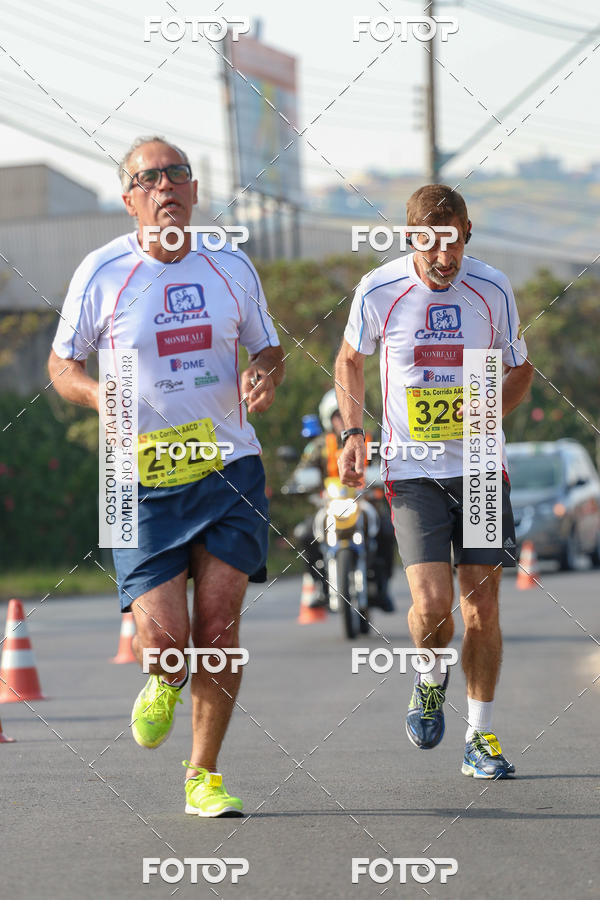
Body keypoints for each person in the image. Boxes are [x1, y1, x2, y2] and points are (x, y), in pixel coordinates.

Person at [48, 136, 284, 815]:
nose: (165, 186)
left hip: (229, 465)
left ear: (195, 191)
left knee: (220, 626)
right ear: (130, 200)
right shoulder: (102, 272)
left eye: (177, 173)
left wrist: (265, 373)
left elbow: (269, 348)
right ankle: (164, 675)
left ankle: (203, 775)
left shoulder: (230, 264)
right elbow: (62, 366)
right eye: (149, 178)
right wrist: (98, 395)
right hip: (138, 477)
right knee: (166, 641)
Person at [335, 184, 534, 778]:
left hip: (480, 467)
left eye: (454, 245)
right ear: (410, 239)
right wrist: (353, 432)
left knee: (482, 609)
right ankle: (428, 677)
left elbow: (520, 370)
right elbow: (349, 359)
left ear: (467, 234)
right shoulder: (379, 290)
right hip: (413, 471)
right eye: (430, 245)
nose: (444, 259)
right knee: (431, 605)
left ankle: (480, 736)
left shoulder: (492, 288)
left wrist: (489, 407)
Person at [293, 390, 395, 612]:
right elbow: (302, 470)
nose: (343, 419)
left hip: (366, 503)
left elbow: (386, 465)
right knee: (304, 534)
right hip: (330, 505)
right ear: (328, 419)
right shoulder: (319, 445)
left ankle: (383, 588)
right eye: (338, 415)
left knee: (387, 531)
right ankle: (320, 586)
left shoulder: (371, 441)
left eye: (348, 413)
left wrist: (383, 478)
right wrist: (299, 482)